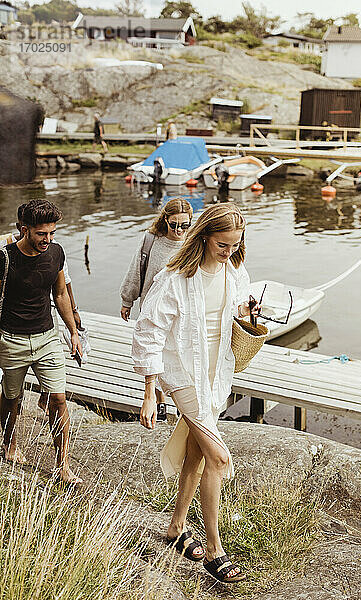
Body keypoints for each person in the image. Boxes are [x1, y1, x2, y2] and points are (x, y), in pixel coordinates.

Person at [131, 204, 258, 584]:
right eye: (223, 245)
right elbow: (148, 331)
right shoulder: (174, 278)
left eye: (236, 245)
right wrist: (150, 392)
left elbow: (238, 306)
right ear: (203, 236)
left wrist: (251, 312)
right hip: (181, 371)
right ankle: (216, 550)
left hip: (217, 369)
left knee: (195, 454)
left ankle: (176, 527)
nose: (229, 252)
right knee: (218, 459)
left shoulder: (234, 269)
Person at [0, 200, 83, 484]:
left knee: (58, 399)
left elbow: (60, 295)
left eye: (52, 233)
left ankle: (62, 465)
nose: (47, 240)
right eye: (41, 234)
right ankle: (10, 443)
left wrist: (73, 332)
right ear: (25, 230)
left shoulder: (56, 252)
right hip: (11, 340)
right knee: (12, 399)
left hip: (47, 337)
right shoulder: (5, 258)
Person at [120, 197, 193, 420]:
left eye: (184, 225)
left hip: (182, 311)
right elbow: (136, 270)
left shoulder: (193, 242)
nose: (179, 229)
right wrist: (127, 300)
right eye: (174, 224)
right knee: (155, 352)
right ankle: (159, 402)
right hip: (152, 308)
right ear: (165, 220)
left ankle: (183, 403)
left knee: (180, 355)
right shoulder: (151, 240)